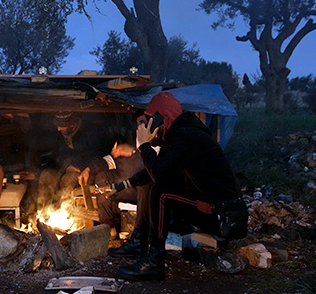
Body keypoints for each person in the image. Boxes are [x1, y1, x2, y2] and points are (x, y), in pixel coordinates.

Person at [101, 92, 248, 280]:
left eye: (149, 123)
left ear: (163, 119)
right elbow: (156, 170)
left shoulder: (188, 137)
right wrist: (121, 185)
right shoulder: (180, 135)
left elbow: (160, 174)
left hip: (223, 216)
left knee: (161, 191)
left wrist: (145, 145)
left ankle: (155, 261)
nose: (146, 128)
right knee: (151, 184)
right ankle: (139, 241)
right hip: (216, 210)